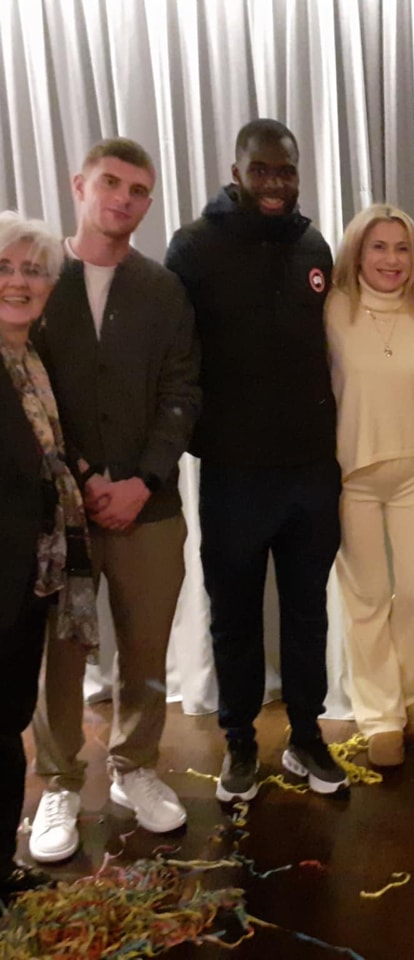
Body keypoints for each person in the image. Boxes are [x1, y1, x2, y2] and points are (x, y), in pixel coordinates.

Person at [165, 118, 347, 800]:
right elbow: (175, 357)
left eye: (286, 170)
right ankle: (239, 743)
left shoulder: (314, 245)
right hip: (234, 473)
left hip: (311, 470)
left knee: (307, 613)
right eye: (262, 169)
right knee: (234, 615)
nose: (275, 182)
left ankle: (306, 736)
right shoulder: (194, 247)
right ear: (236, 171)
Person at [29, 139, 199, 864]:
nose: (123, 199)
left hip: (149, 507)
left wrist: (142, 481)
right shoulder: (37, 278)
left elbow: (183, 392)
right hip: (57, 511)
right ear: (80, 185)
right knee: (60, 651)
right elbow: (28, 388)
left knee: (146, 645)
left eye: (138, 191)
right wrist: (82, 477)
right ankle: (61, 779)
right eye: (111, 183)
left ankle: (136, 765)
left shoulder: (163, 289)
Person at [0, 210, 97, 899]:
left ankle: (1, 868)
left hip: (30, 571)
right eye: (5, 267)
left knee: (7, 724)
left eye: (33, 271)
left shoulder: (31, 355)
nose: (19, 281)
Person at [325, 205, 414, 767]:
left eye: (402, 248)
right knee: (367, 601)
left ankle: (404, 693)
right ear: (357, 251)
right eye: (379, 246)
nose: (391, 259)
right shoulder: (333, 309)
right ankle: (381, 718)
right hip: (353, 476)